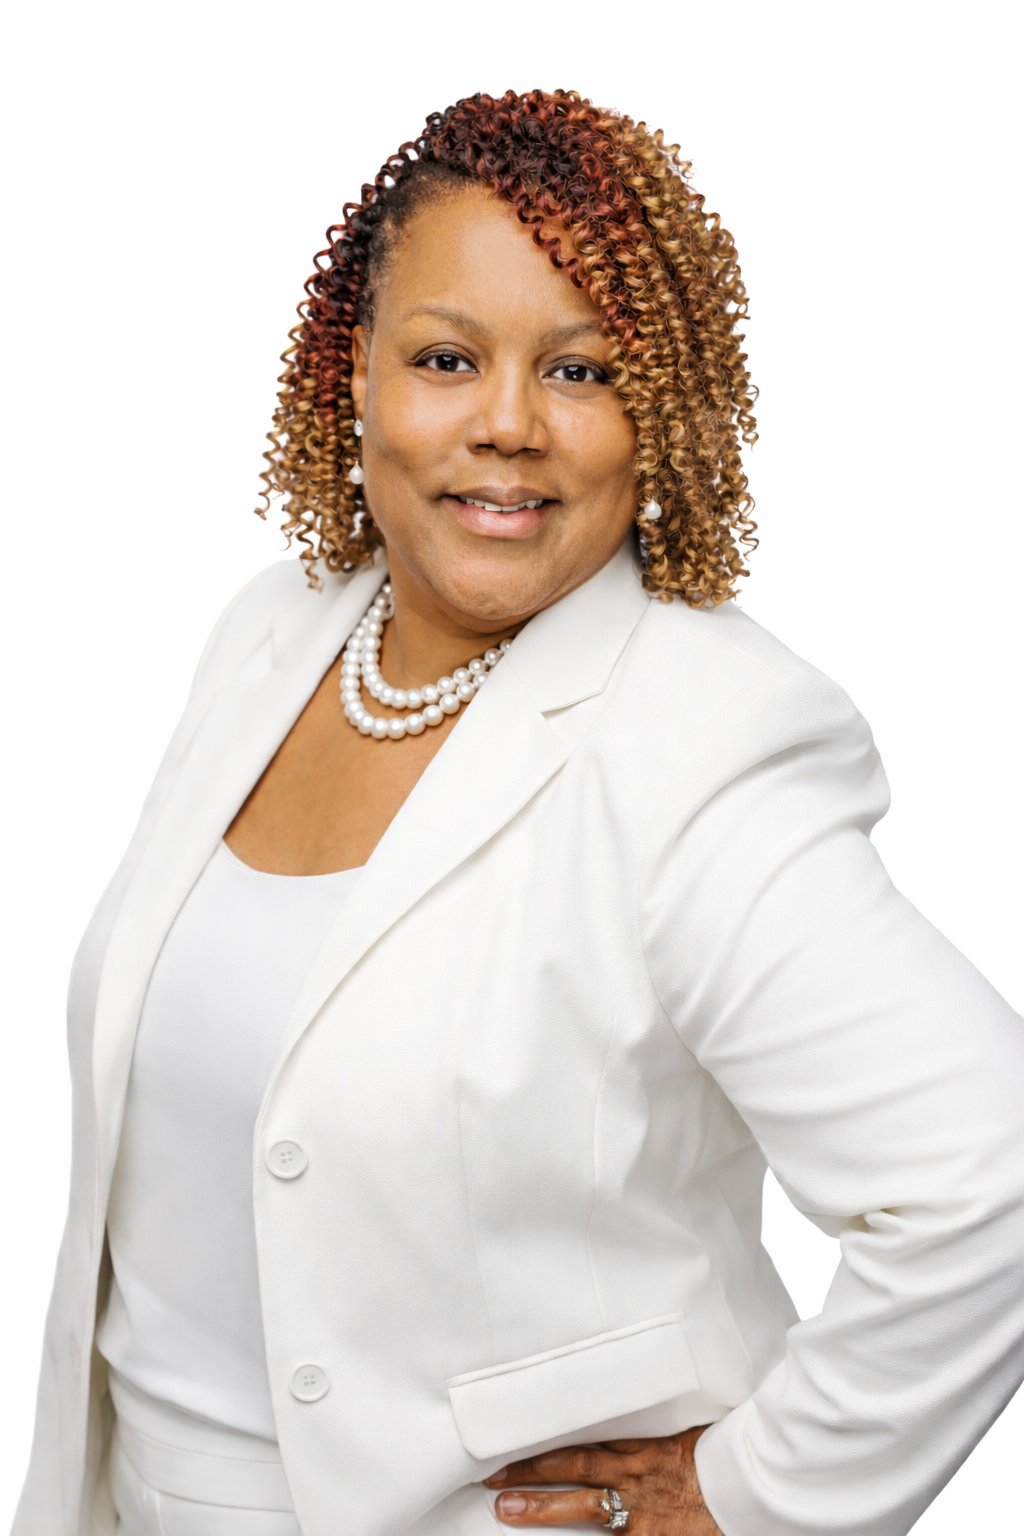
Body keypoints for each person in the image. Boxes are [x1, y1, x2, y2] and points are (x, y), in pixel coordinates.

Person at [12, 88, 1024, 1536]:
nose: (507, 424)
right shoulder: (272, 635)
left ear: (655, 409)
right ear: (355, 371)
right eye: (445, 357)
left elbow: (991, 1174)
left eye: (581, 372)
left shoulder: (700, 741)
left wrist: (755, 1495)